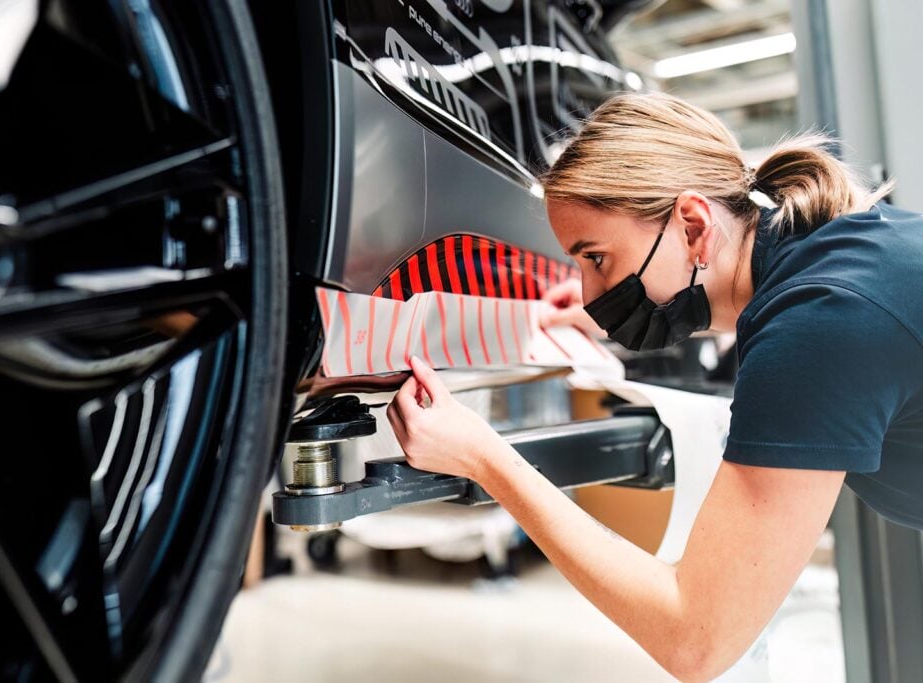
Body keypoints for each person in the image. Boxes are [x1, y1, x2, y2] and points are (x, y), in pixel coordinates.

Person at [386, 91, 923, 682]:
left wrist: (487, 460)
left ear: (694, 225)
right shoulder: (835, 258)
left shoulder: (822, 323)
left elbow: (695, 638)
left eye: (597, 259)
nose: (592, 296)